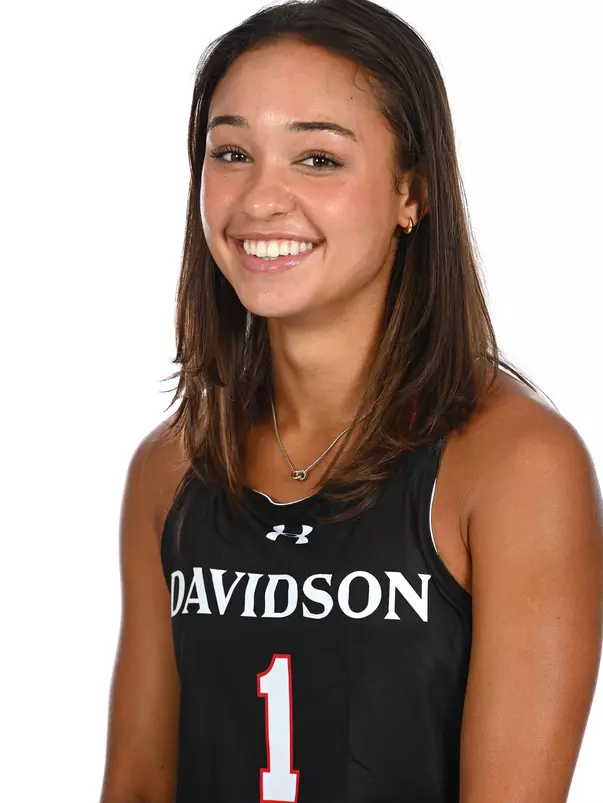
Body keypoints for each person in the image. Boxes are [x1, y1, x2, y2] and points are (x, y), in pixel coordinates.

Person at [99, 1, 603, 801]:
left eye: (318, 159)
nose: (261, 199)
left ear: (413, 191)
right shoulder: (172, 465)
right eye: (231, 152)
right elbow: (135, 784)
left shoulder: (515, 464)